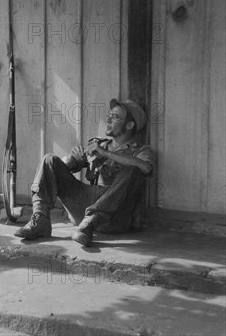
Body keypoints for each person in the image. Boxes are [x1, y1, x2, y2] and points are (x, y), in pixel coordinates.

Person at [14, 99, 155, 247]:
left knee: (134, 169)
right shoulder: (98, 144)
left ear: (129, 125)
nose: (107, 120)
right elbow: (59, 169)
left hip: (113, 218)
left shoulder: (141, 150)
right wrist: (71, 159)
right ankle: (40, 219)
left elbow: (146, 168)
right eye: (109, 115)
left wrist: (106, 154)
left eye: (115, 117)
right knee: (49, 159)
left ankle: (91, 221)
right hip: (82, 207)